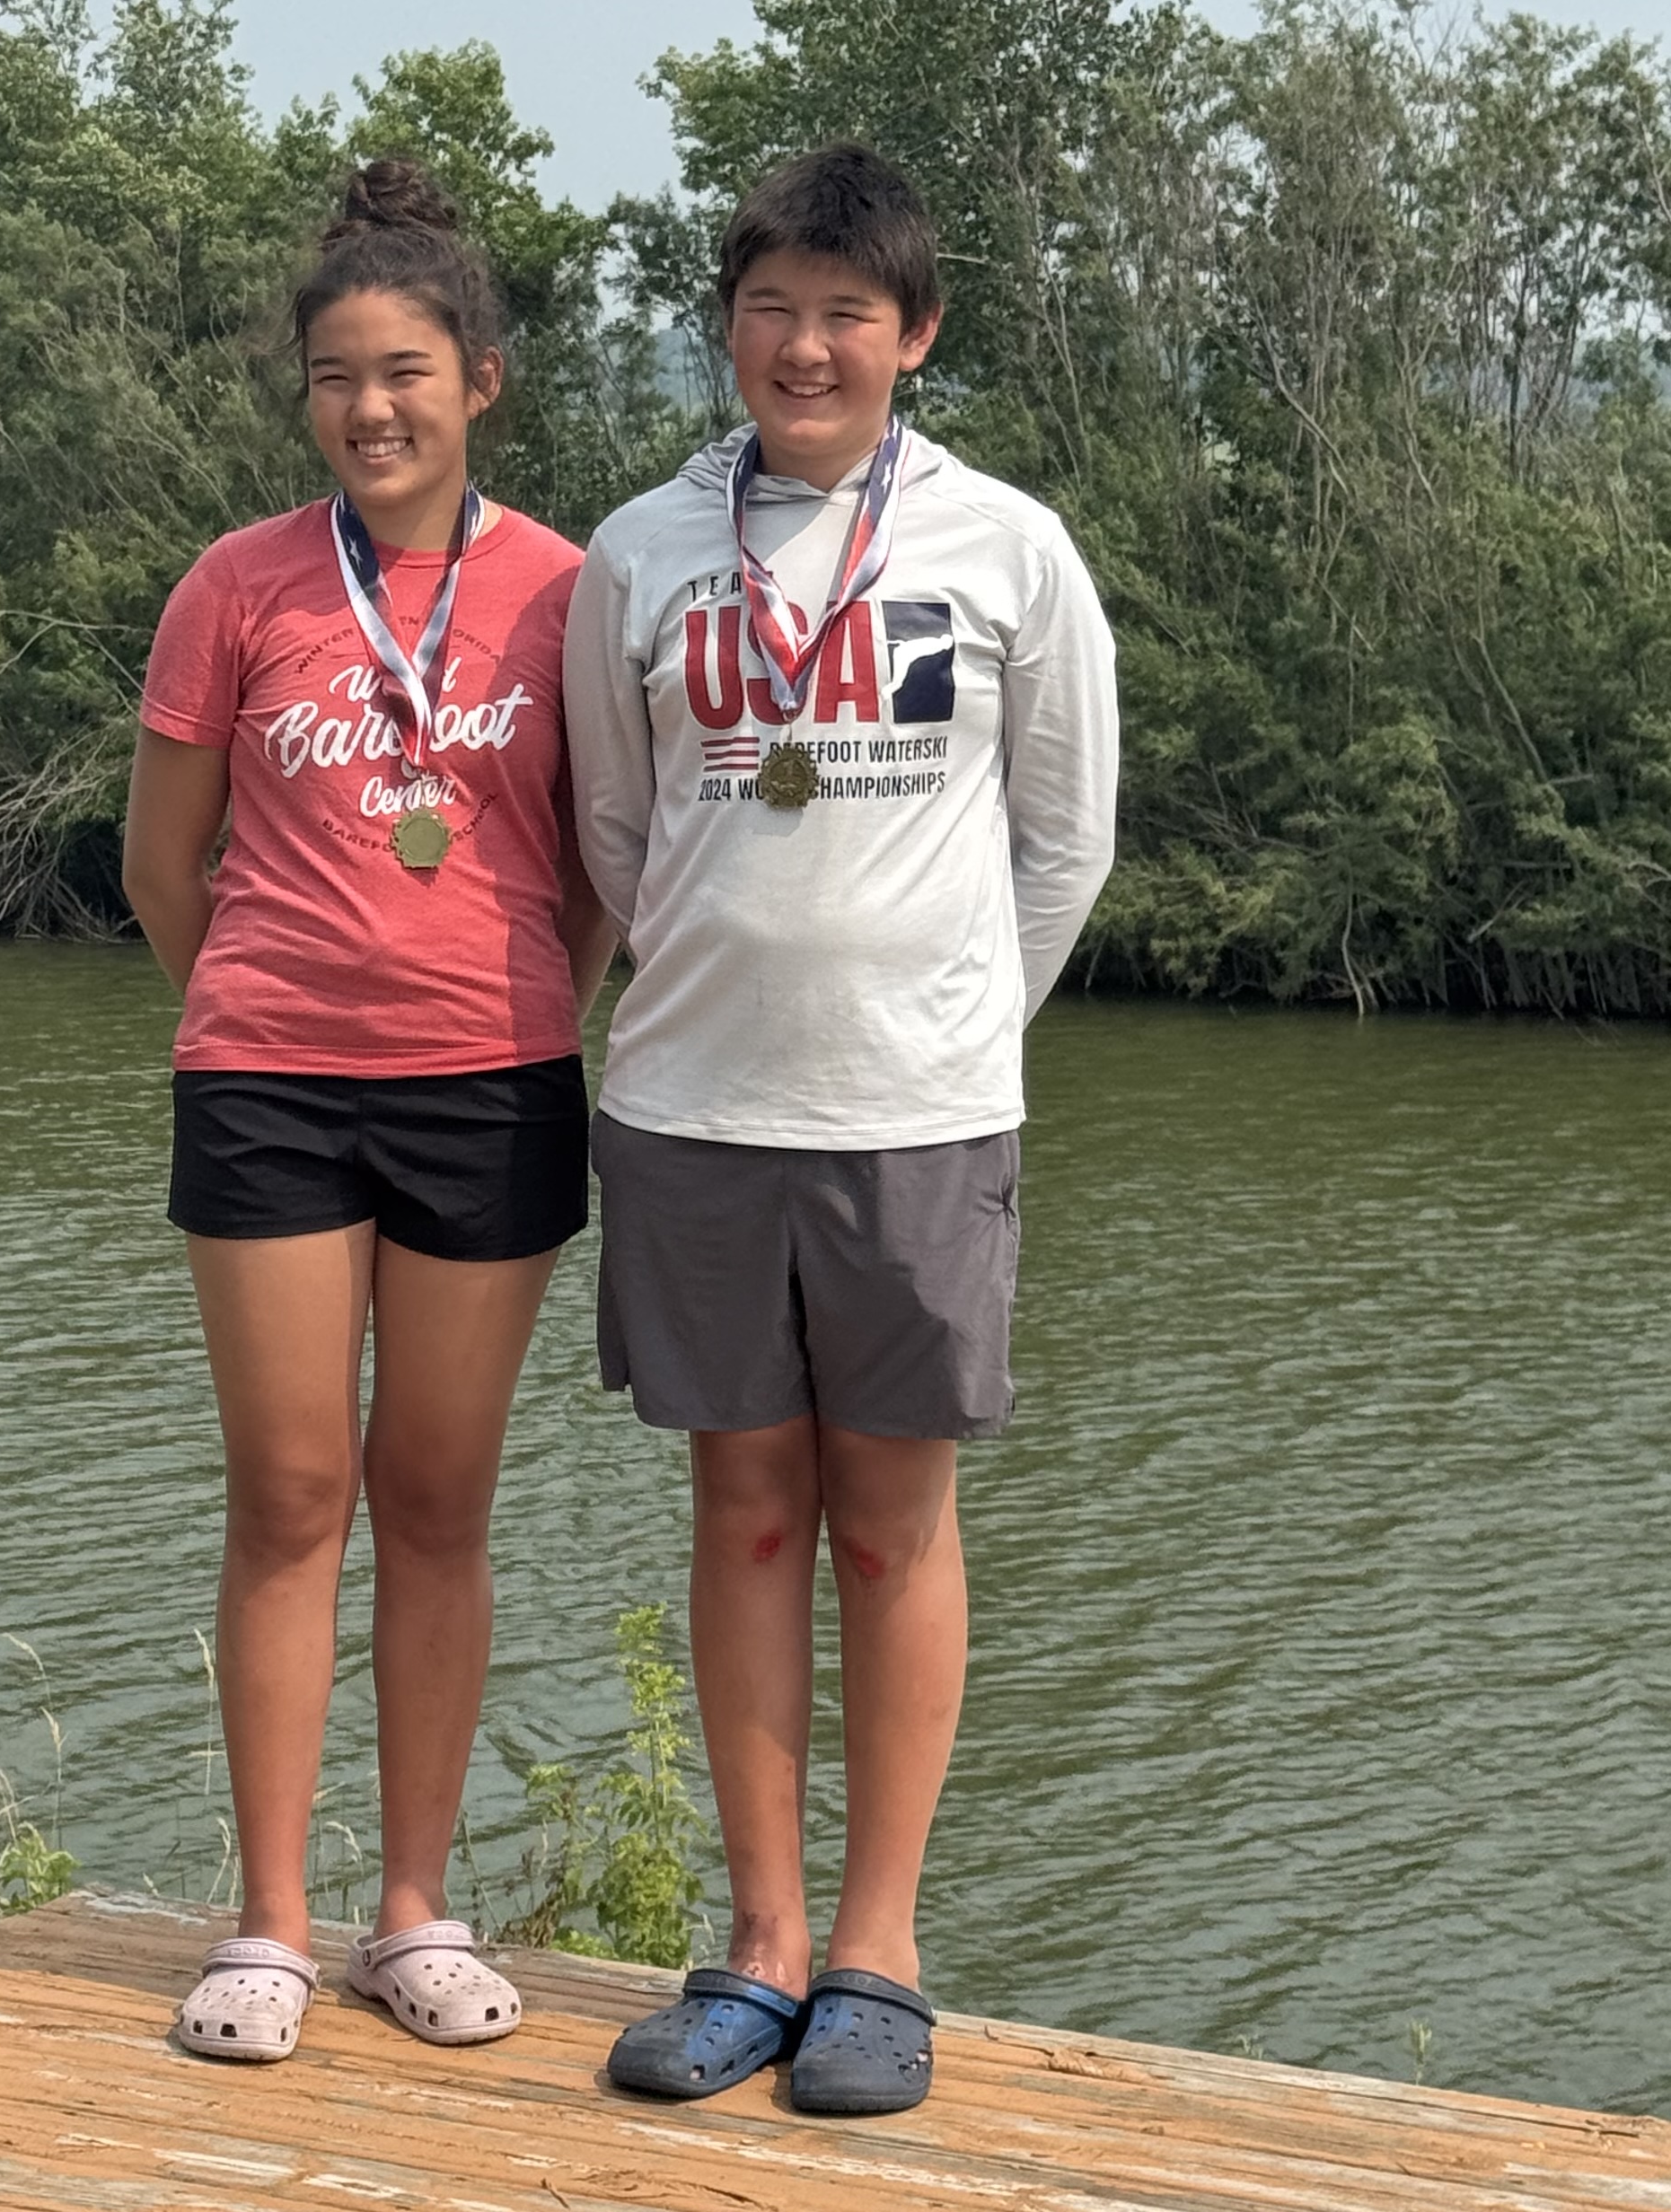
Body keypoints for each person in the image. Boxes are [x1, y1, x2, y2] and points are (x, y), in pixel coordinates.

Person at [563, 142, 1118, 2116]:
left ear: (916, 335)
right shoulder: (641, 552)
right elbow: (616, 831)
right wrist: (736, 988)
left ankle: (880, 1952)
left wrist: (946, 1028)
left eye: (846, 314)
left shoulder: (1008, 547)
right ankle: (761, 1946)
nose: (805, 347)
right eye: (770, 309)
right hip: (693, 1104)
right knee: (743, 1514)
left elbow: (1064, 838)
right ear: (728, 325)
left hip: (920, 1118)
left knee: (892, 1529)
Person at [123, 159, 615, 2066]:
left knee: (433, 1498)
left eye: (404, 370)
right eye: (335, 376)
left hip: (490, 1084)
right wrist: (268, 1006)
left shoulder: (566, 589)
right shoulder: (237, 584)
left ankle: (413, 1910)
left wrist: (514, 1005)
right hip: (269, 1085)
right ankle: (265, 1922)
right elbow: (164, 863)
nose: (369, 408)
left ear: (480, 378)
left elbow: (594, 864)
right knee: (286, 1493)